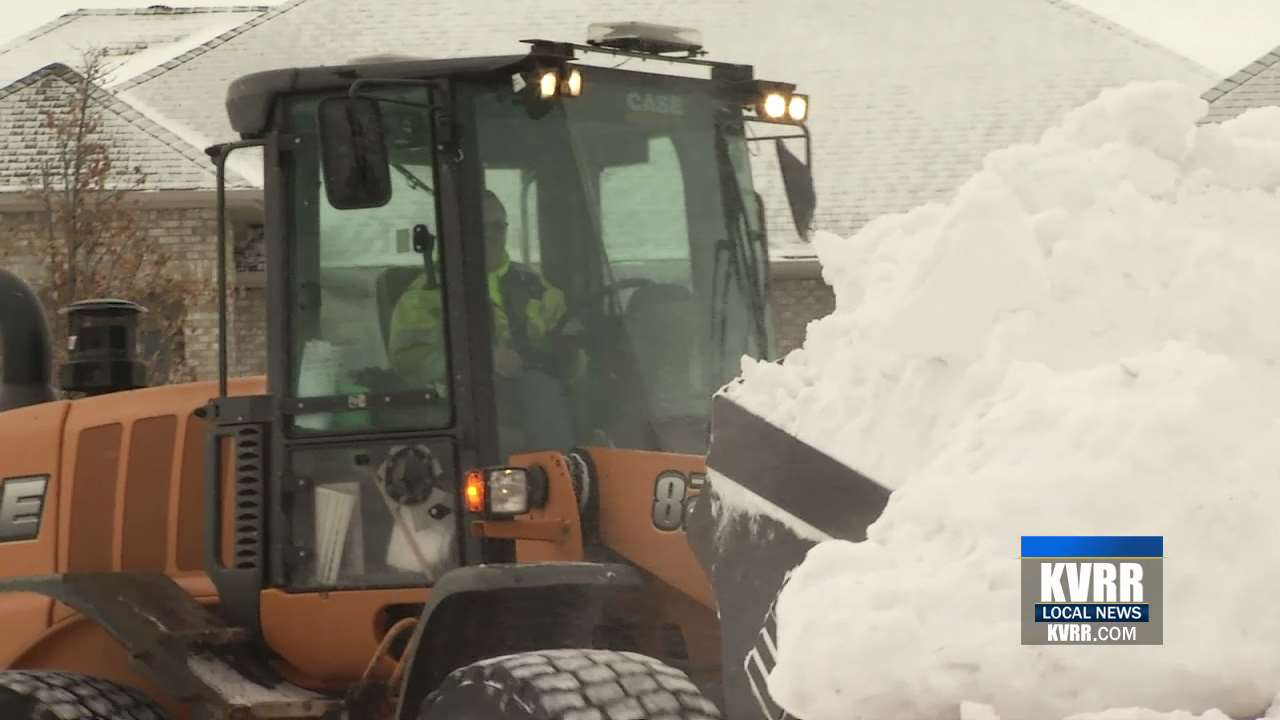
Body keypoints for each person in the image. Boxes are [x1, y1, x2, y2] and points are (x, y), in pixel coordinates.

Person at [387, 190, 580, 454]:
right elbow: (408, 358)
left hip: (539, 393)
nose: (490, 234)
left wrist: (570, 355)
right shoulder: (428, 293)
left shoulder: (534, 284)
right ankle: (562, 474)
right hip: (469, 405)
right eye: (480, 227)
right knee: (540, 391)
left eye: (497, 226)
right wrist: (483, 361)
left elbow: (569, 335)